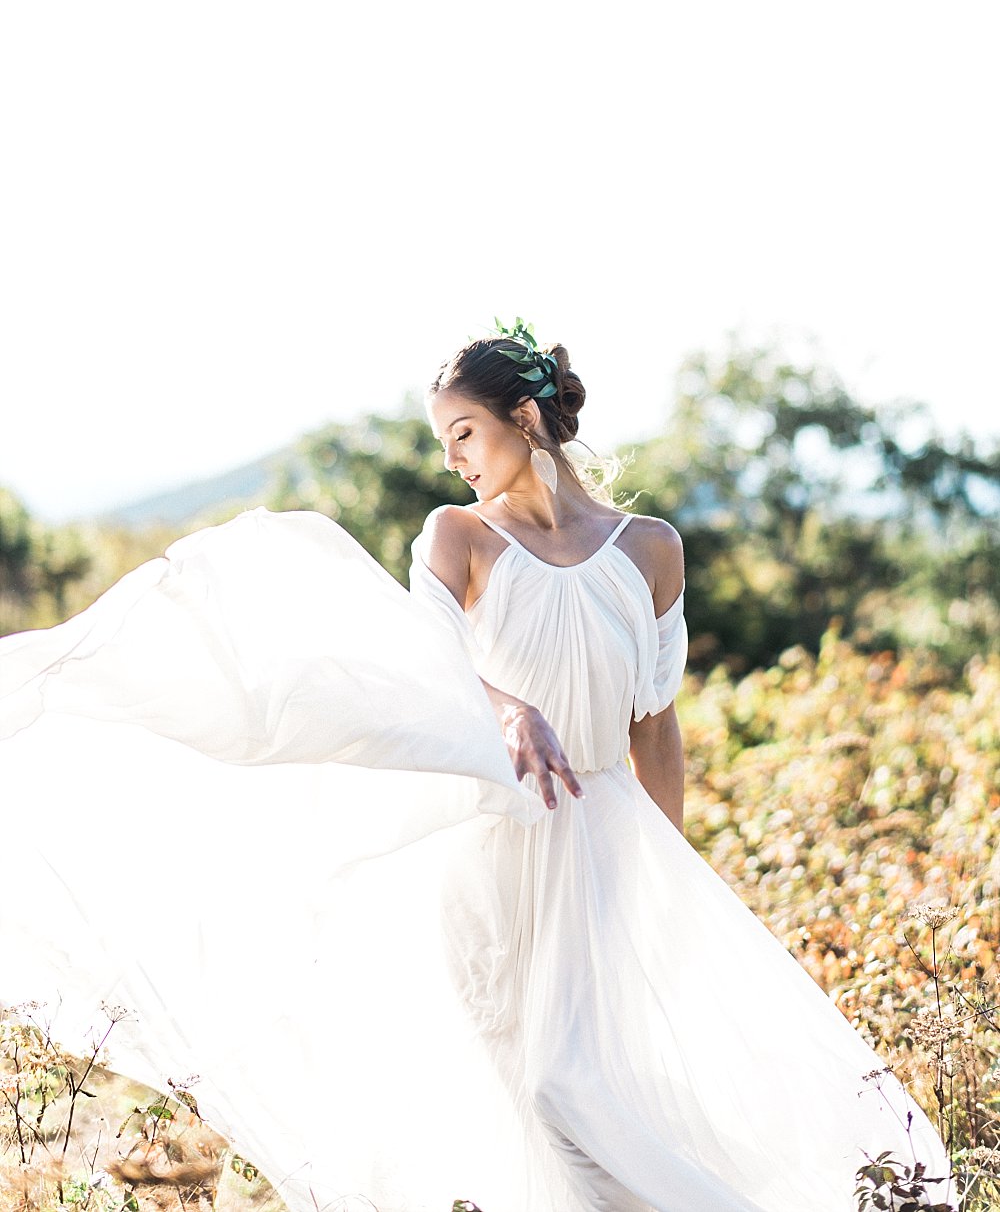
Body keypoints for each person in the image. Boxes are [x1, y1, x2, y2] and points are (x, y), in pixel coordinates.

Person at [1, 324, 950, 1211]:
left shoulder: (650, 549)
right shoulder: (458, 537)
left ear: (525, 418)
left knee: (588, 1076)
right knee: (521, 1084)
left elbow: (654, 726)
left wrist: (672, 871)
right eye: (444, 440)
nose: (452, 456)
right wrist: (507, 707)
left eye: (463, 431)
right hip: (496, 840)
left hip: (608, 841)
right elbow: (430, 665)